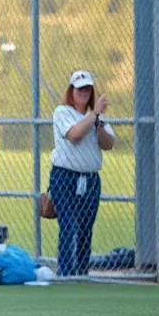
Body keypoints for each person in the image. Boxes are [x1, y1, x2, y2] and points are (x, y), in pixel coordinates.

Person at [48, 69, 115, 277]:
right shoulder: (62, 112)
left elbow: (108, 143)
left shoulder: (96, 117)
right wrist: (93, 114)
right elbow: (74, 134)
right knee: (69, 225)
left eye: (87, 88)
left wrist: (97, 120)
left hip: (90, 179)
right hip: (65, 177)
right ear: (71, 91)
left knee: (86, 227)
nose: (83, 92)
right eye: (79, 89)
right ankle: (67, 273)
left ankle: (82, 272)